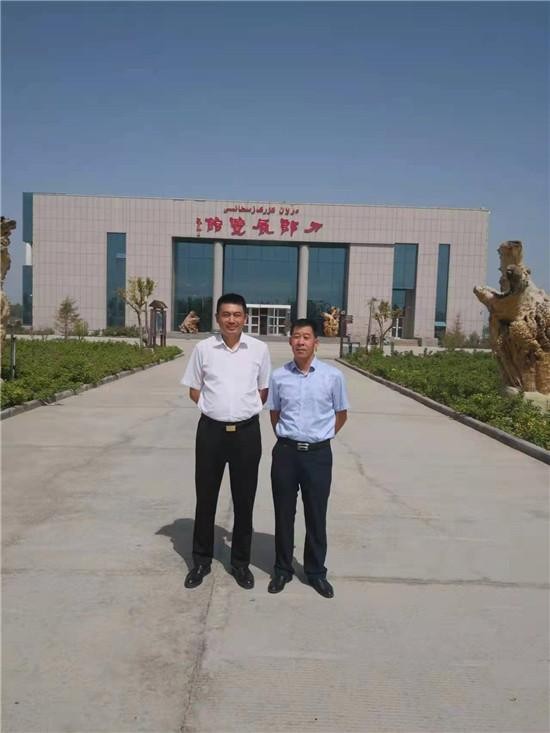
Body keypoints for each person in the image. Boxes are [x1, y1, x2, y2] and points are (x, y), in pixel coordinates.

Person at [181, 293, 271, 590]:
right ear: (217, 318)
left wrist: (244, 410)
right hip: (211, 433)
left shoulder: (259, 349)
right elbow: (194, 389)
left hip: (246, 434)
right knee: (205, 499)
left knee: (245, 501)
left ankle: (240, 563)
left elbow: (263, 390)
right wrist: (212, 408)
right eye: (226, 314)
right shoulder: (203, 349)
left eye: (237, 314)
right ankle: (201, 561)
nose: (231, 320)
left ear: (245, 318)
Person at [267, 318, 349, 598]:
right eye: (296, 336)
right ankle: (282, 569)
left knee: (316, 515)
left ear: (316, 342)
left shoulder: (332, 376)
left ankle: (315, 572)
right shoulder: (279, 376)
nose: (300, 341)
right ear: (290, 341)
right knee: (283, 514)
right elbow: (274, 413)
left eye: (306, 336)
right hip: (286, 454)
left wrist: (321, 437)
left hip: (318, 456)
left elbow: (341, 414)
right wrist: (287, 438)